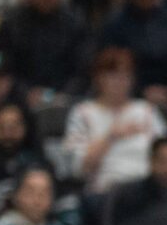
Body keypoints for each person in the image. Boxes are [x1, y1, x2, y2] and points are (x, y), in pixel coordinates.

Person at [63, 45, 162, 194]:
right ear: (98, 78)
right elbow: (79, 168)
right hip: (104, 192)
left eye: (125, 76)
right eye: (113, 76)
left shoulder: (147, 111)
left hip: (147, 191)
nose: (119, 82)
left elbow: (165, 154)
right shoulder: (83, 113)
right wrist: (111, 136)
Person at [0, 0, 91, 100]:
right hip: (22, 98)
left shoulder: (76, 23)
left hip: (67, 97)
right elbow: (5, 69)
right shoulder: (11, 25)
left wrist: (64, 95)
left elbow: (83, 70)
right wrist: (26, 93)